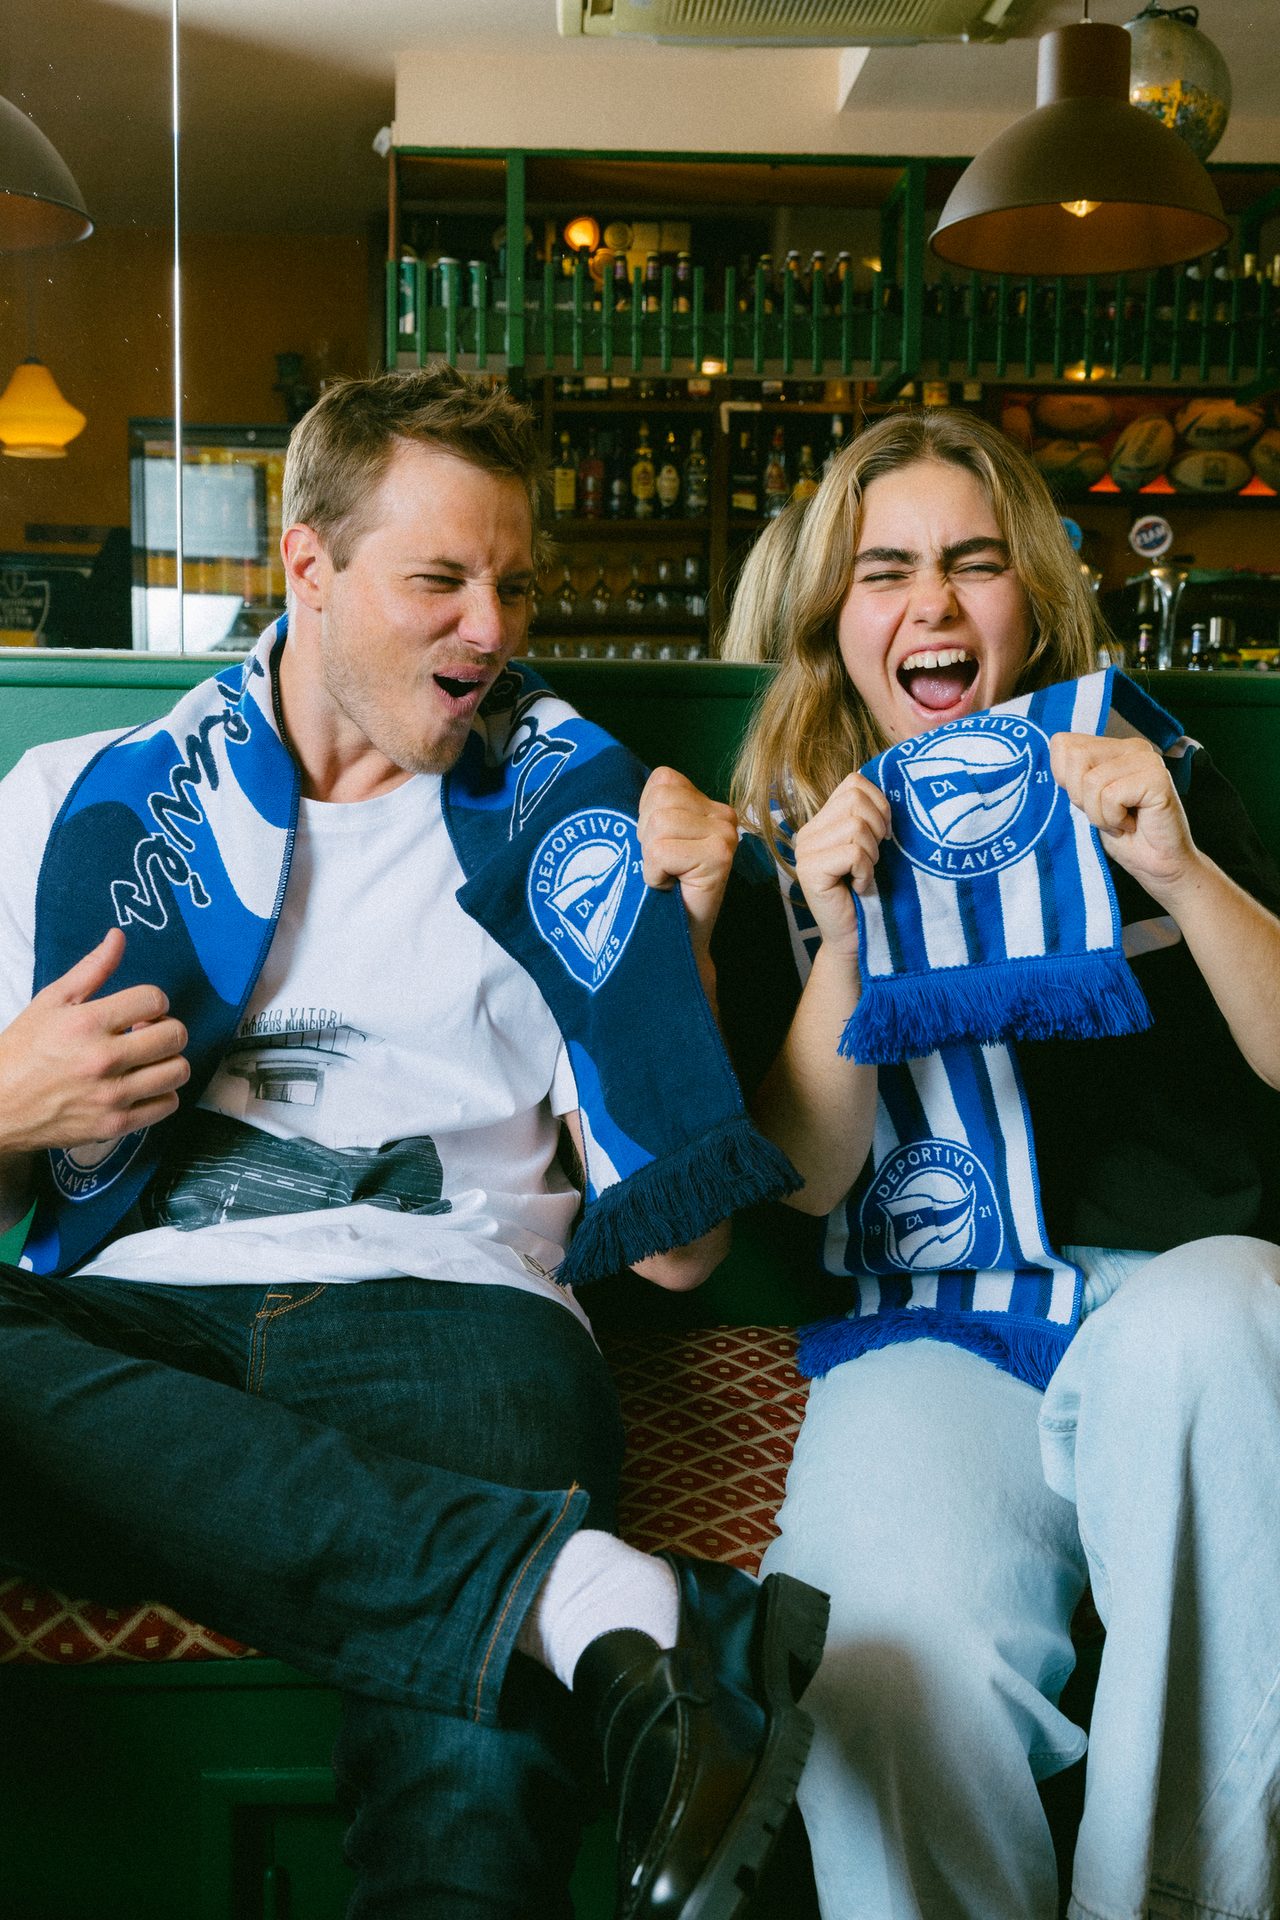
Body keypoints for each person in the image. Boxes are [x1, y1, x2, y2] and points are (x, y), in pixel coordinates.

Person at [0, 365, 828, 1920]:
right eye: (440, 579)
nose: (493, 630)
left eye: (514, 585)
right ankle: (596, 1603)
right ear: (304, 566)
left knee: (466, 1751)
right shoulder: (65, 809)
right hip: (137, 1321)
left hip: (453, 1318)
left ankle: (552, 1604)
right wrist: (10, 1102)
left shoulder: (571, 827)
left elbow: (679, 1248)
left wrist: (688, 941)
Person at [715, 406, 1280, 1920]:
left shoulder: (1148, 766)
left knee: (1223, 1329)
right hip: (938, 1315)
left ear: (1034, 596)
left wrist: (1176, 864)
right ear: (838, 617)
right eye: (886, 570)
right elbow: (808, 1179)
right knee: (881, 1650)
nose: (935, 606)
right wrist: (842, 947)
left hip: (1183, 1294)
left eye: (975, 564)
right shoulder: (796, 831)